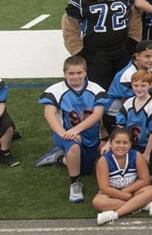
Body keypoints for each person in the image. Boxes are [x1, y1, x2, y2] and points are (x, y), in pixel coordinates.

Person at [37, 55, 108, 202]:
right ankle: (75, 183)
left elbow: (97, 114)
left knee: (86, 170)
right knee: (74, 148)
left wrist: (77, 129)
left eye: (79, 73)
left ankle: (60, 158)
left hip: (90, 135)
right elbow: (49, 113)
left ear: (85, 72)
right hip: (65, 133)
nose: (75, 77)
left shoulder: (96, 89)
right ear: (64, 73)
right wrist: (65, 134)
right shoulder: (56, 90)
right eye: (71, 73)